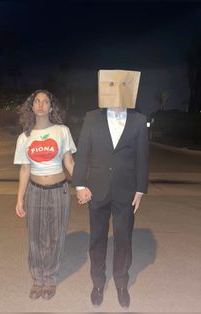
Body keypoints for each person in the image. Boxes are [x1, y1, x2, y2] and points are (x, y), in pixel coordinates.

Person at [72, 70, 149, 308]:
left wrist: (140, 189)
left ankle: (121, 283)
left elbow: (142, 157)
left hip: (126, 191)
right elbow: (82, 153)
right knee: (97, 239)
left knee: (123, 239)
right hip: (96, 189)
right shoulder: (92, 117)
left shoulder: (138, 120)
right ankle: (97, 283)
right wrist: (80, 184)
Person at [14, 89, 76, 300]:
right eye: (37, 101)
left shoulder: (62, 131)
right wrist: (20, 198)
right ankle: (37, 278)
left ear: (51, 107)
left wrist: (82, 186)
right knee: (35, 238)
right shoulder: (25, 137)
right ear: (32, 107)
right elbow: (24, 169)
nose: (41, 104)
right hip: (35, 192)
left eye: (45, 101)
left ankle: (50, 278)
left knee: (56, 237)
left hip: (60, 191)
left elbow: (69, 162)